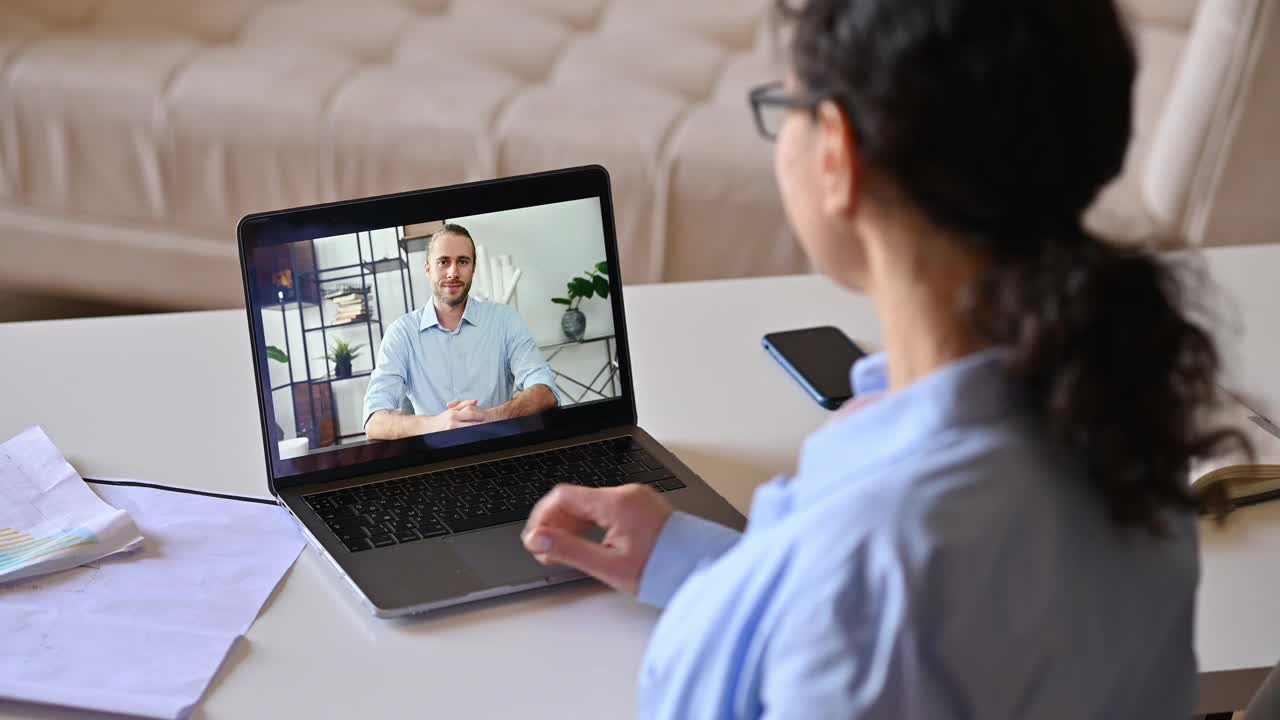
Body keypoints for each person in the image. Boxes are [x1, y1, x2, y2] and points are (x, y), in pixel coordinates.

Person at [520, 0, 1249, 717]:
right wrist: (686, 559)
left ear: (837, 152)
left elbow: (864, 631)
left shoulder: (872, 572)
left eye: (789, 108)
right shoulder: (1123, 438)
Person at [363, 224, 559, 440]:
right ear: (428, 268)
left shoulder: (505, 320)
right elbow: (375, 421)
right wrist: (439, 424)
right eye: (443, 262)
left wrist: (491, 417)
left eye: (463, 261)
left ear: (473, 268)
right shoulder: (401, 334)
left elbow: (546, 390)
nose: (453, 272)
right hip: (433, 462)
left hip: (499, 449)